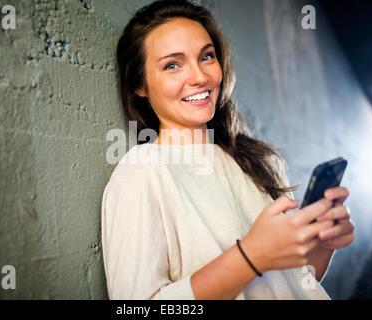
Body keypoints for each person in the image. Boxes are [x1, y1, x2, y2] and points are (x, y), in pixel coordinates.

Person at [101, 0, 354, 300]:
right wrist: (249, 256)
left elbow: (296, 282)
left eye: (206, 57)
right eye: (172, 65)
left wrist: (323, 242)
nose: (200, 77)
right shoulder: (142, 172)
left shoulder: (255, 160)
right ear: (139, 85)